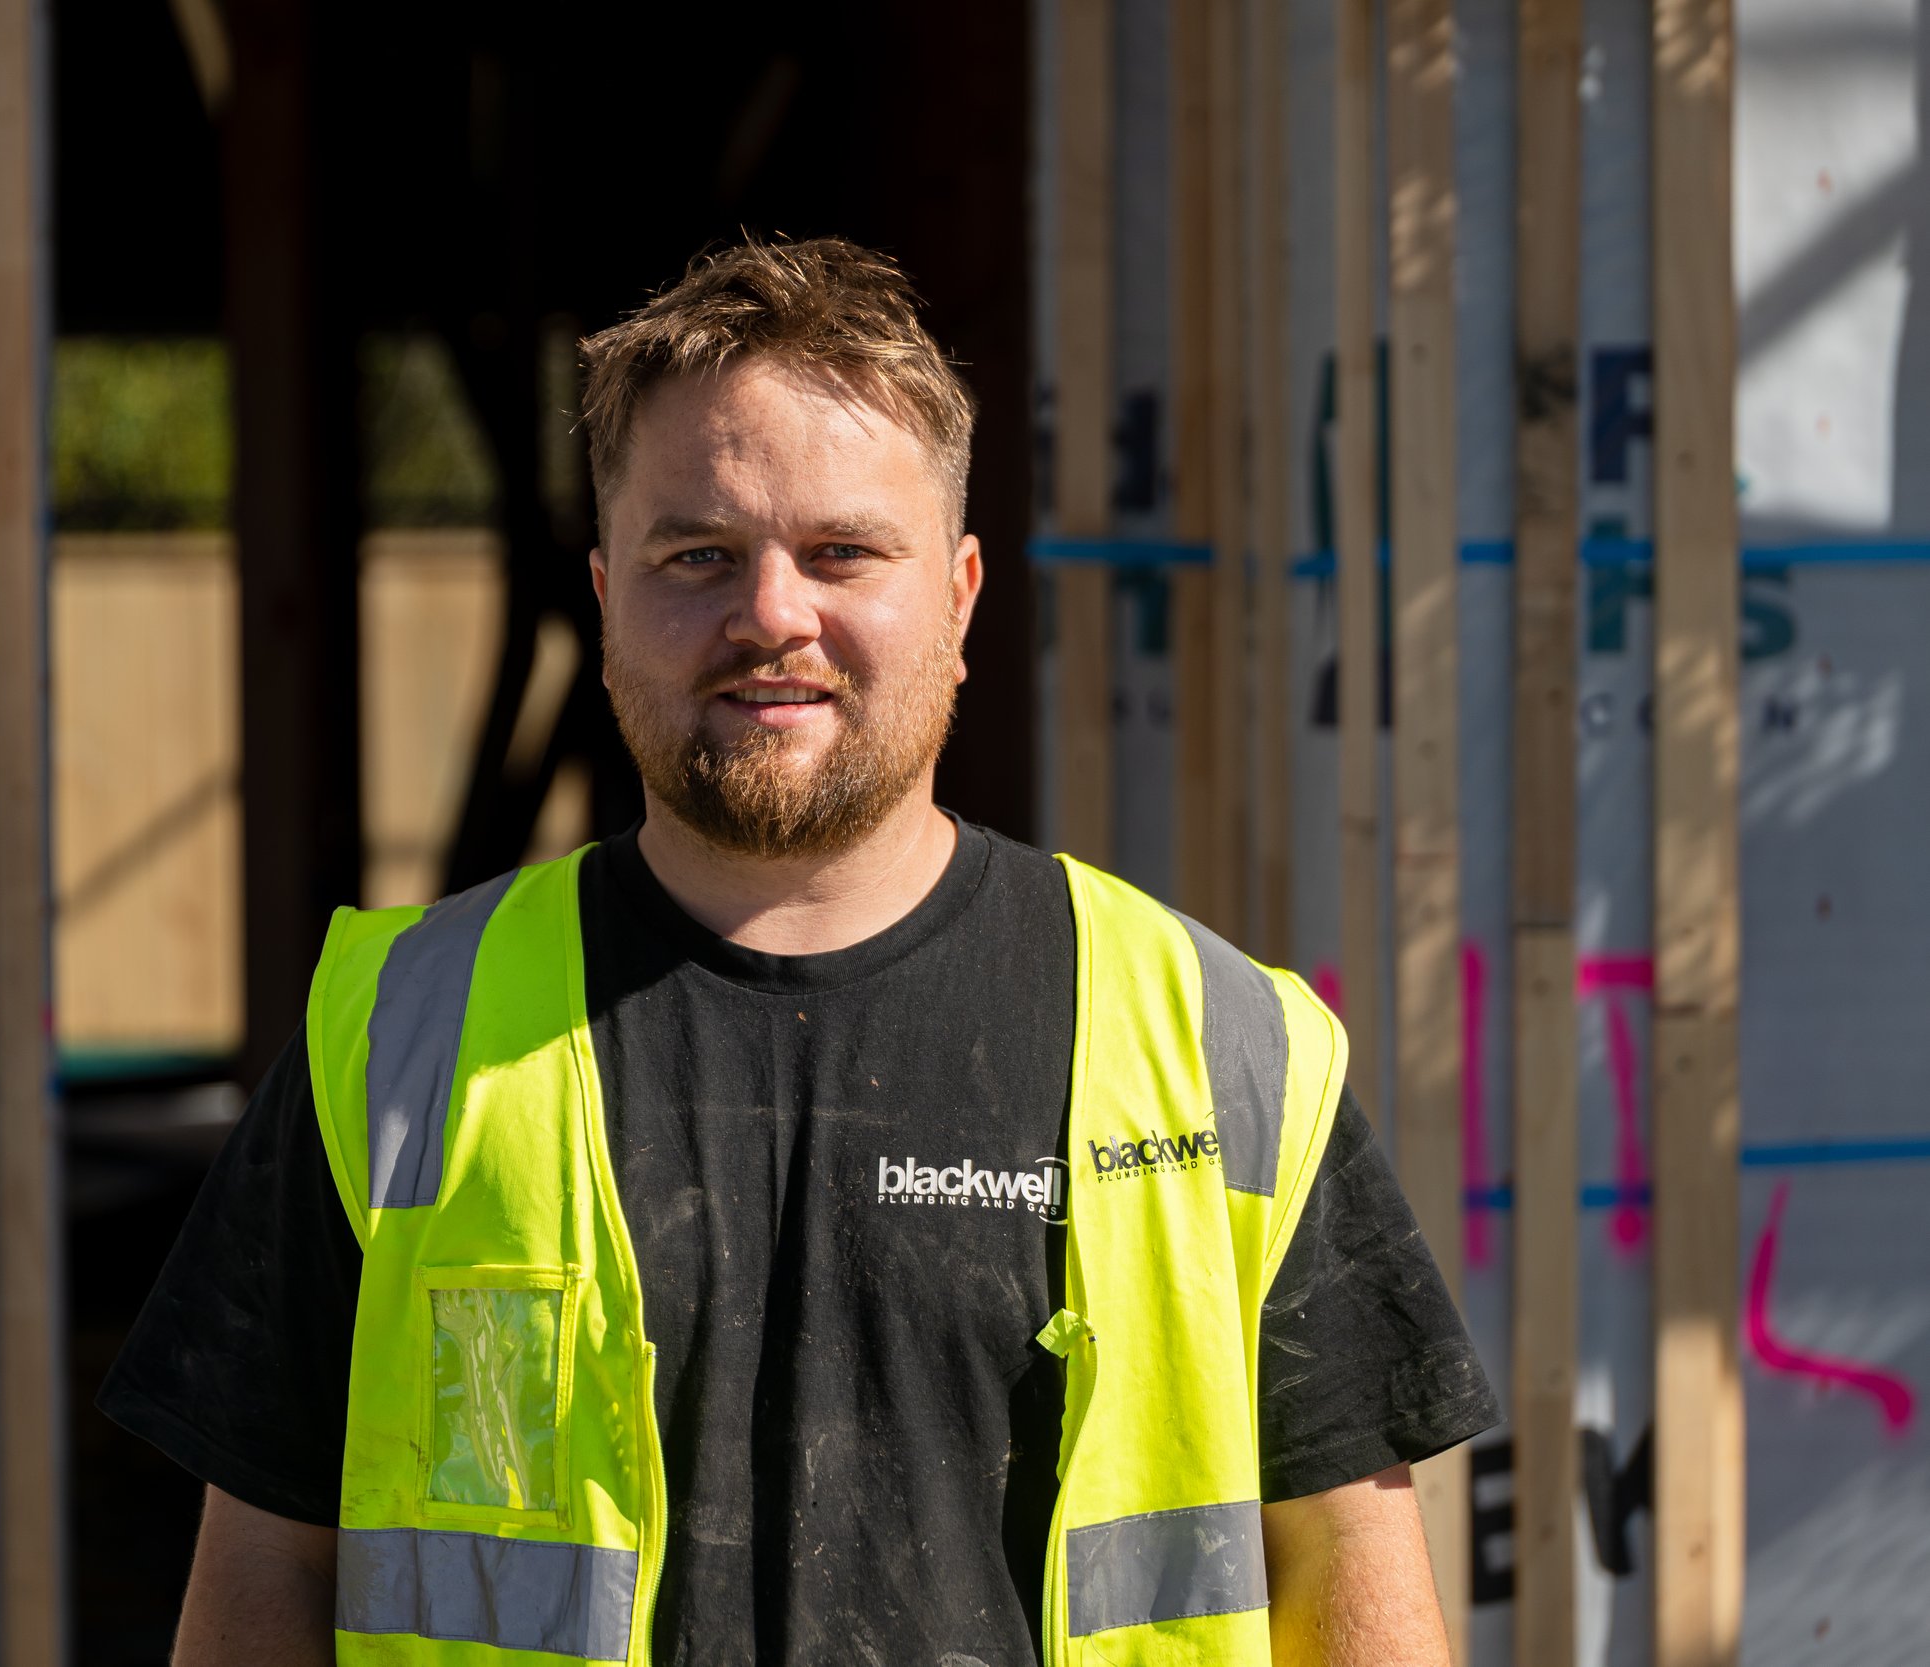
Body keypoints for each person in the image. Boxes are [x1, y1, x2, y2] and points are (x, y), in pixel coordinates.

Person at [101, 236, 1500, 1666]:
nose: (772, 614)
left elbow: (1348, 1580)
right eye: (698, 554)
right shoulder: (387, 1045)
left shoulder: (1224, 1048)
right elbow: (259, 1588)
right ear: (603, 602)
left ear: (958, 599)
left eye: (842, 552)